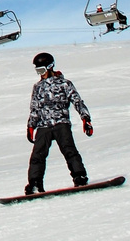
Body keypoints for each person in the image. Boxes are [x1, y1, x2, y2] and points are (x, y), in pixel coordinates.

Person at [25, 51, 92, 195]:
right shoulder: (37, 87)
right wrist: (31, 126)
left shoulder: (65, 84)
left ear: (50, 67)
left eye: (41, 70)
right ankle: (35, 184)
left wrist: (85, 118)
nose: (39, 74)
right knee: (37, 156)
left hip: (61, 123)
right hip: (43, 126)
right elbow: (35, 108)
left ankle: (79, 176)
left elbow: (77, 101)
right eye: (37, 71)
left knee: (69, 150)